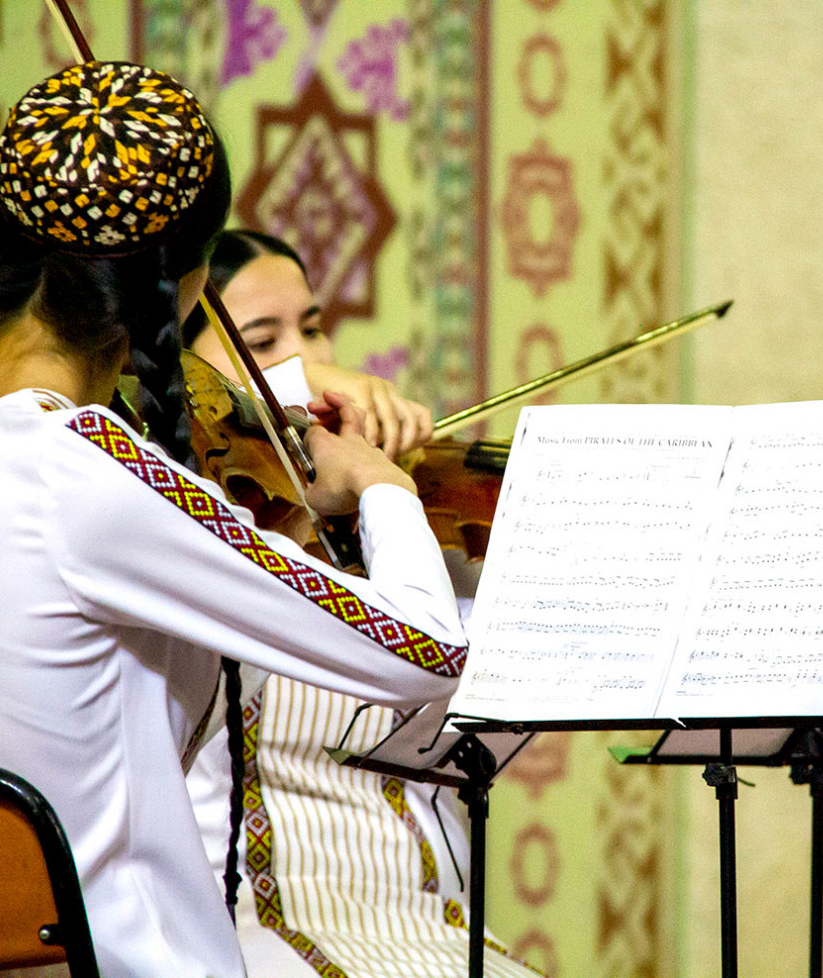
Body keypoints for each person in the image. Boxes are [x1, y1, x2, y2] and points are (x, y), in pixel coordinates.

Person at [0, 62, 466, 978]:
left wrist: (283, 406)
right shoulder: (91, 474)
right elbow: (425, 651)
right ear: (185, 287)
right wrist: (383, 485)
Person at [182, 230, 536, 978]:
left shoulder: (395, 527)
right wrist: (301, 392)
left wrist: (386, 492)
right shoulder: (192, 523)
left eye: (311, 328)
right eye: (262, 339)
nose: (306, 352)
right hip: (255, 936)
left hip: (435, 927)